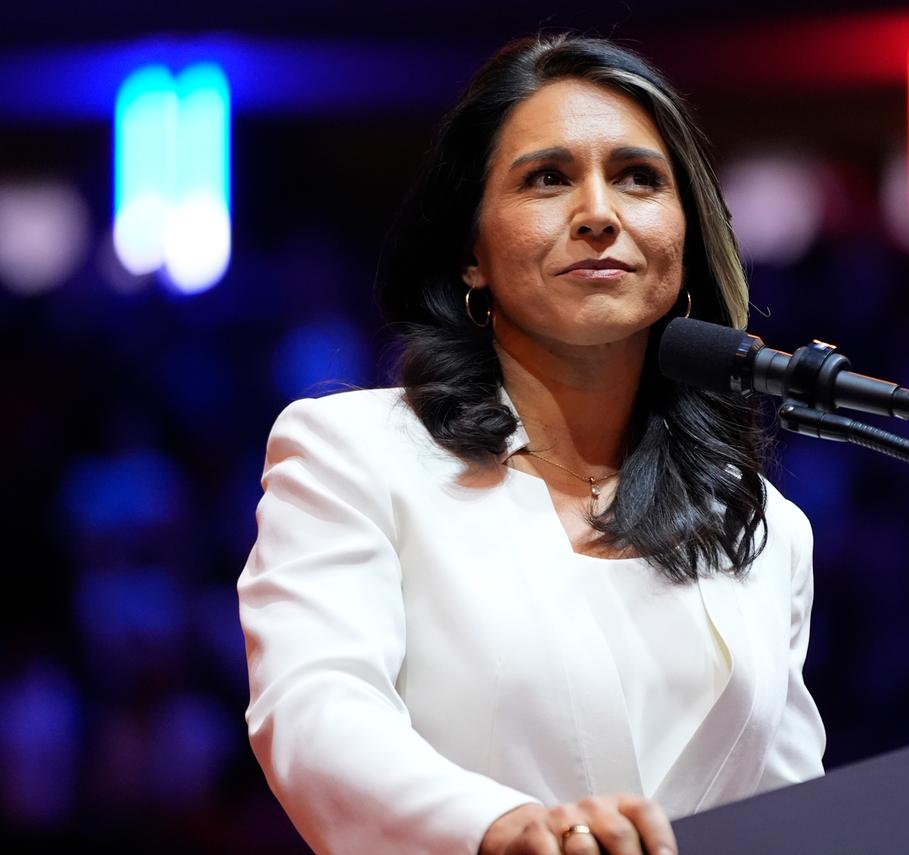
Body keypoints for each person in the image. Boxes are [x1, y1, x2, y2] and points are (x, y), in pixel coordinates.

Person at [238, 32, 825, 855]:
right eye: (548, 178)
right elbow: (316, 711)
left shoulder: (761, 524)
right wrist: (495, 827)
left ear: (684, 237)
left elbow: (789, 808)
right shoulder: (351, 452)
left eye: (638, 178)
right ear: (471, 253)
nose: (598, 213)